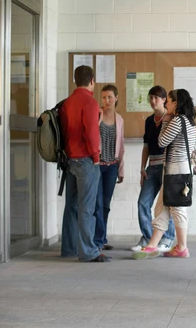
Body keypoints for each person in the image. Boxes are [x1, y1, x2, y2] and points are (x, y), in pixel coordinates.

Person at [133, 88, 196, 260]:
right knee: (162, 208)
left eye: (168, 101)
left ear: (176, 103)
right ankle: (152, 245)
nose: (166, 104)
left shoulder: (177, 121)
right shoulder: (188, 121)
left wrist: (165, 121)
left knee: (177, 208)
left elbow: (161, 142)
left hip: (175, 170)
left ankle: (182, 247)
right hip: (176, 170)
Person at [60, 65, 109, 262]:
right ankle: (88, 251)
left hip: (70, 160)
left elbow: (64, 132)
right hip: (86, 160)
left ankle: (69, 248)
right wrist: (96, 158)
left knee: (71, 206)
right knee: (87, 208)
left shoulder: (66, 103)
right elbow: (90, 133)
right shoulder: (90, 102)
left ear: (75, 80)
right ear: (92, 81)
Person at [130, 86, 176, 253]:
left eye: (156, 97)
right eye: (151, 97)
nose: (153, 101)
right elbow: (146, 146)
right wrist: (142, 167)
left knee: (167, 204)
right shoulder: (149, 121)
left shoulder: (171, 118)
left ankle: (168, 238)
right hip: (152, 167)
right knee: (143, 202)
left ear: (164, 99)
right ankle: (148, 238)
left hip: (167, 167)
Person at [93, 84, 125, 251]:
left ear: (116, 98)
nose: (106, 101)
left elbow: (121, 147)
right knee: (97, 204)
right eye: (104, 97)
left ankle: (102, 238)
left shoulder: (119, 120)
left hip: (112, 166)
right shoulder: (96, 114)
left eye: (110, 97)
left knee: (105, 204)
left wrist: (121, 170)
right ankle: (97, 240)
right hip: (97, 166)